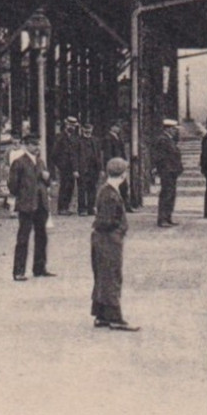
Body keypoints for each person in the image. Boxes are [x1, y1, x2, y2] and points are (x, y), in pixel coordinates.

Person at [90, 157, 137, 330]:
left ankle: (101, 314)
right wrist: (119, 230)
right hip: (108, 240)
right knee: (112, 276)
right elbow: (106, 221)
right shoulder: (111, 194)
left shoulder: (106, 190)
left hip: (103, 239)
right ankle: (115, 318)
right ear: (123, 174)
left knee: (103, 276)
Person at [10, 134, 54, 280]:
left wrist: (47, 179)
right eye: (34, 145)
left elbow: (46, 181)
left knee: (42, 236)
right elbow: (12, 186)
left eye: (38, 144)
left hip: (41, 204)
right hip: (27, 204)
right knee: (23, 238)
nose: (37, 147)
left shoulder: (40, 162)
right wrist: (24, 194)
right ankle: (18, 271)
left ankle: (39, 268)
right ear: (26, 145)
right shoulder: (19, 162)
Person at [151, 118, 184, 227]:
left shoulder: (169, 139)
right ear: (168, 129)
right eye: (174, 129)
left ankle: (168, 217)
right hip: (167, 171)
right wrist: (164, 169)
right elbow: (160, 157)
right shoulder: (163, 140)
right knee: (166, 194)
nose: (175, 131)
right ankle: (163, 219)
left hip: (171, 171)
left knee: (171, 194)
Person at [52, 116, 80, 215]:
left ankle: (67, 206)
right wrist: (60, 164)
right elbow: (55, 153)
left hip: (73, 166)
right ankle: (61, 208)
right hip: (64, 166)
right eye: (70, 125)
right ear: (66, 124)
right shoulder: (60, 136)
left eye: (73, 126)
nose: (71, 127)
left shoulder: (75, 137)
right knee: (64, 186)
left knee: (70, 187)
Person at [104, 122, 134, 210]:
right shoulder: (108, 138)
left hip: (120, 165)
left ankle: (126, 205)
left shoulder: (118, 138)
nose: (119, 129)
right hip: (114, 165)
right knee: (115, 185)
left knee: (124, 186)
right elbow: (108, 154)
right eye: (117, 126)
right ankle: (115, 206)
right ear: (112, 127)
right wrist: (111, 165)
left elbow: (122, 151)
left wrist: (125, 161)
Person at [76, 123, 104, 216]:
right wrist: (75, 169)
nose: (88, 132)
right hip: (82, 168)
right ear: (83, 130)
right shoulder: (78, 141)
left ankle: (91, 208)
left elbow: (99, 156)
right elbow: (74, 156)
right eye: (86, 130)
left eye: (90, 130)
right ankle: (82, 209)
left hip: (93, 168)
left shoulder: (96, 141)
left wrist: (101, 169)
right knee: (82, 189)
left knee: (92, 189)